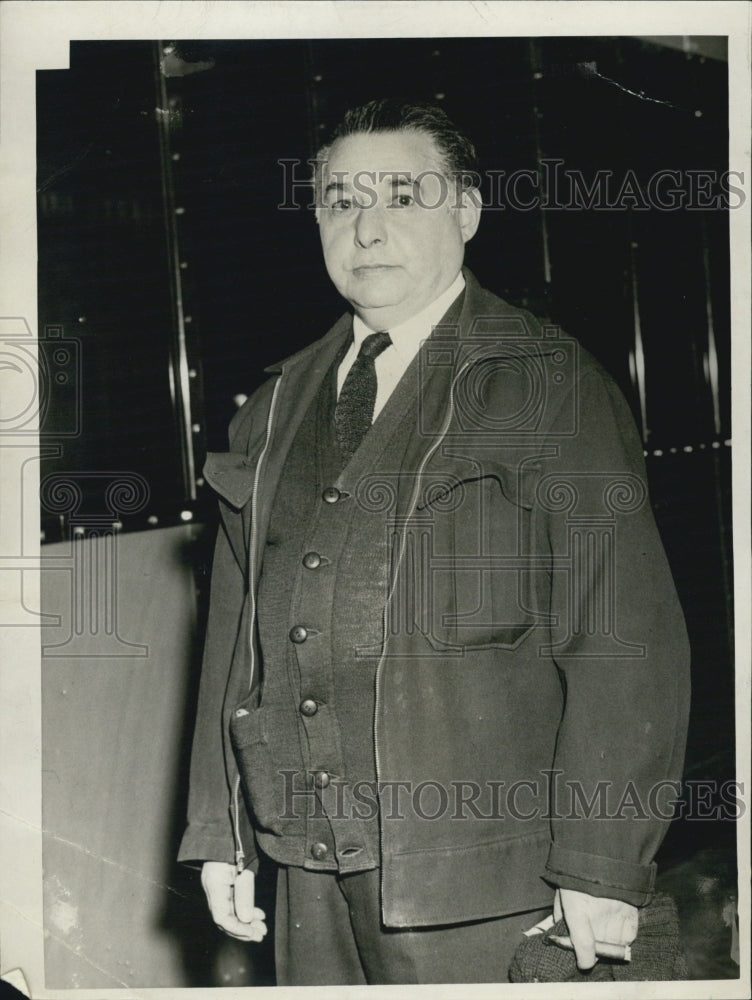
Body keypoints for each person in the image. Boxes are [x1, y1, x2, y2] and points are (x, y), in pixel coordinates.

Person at [178, 99, 690, 985]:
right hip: (308, 868)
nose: (368, 228)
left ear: (468, 211)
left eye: (404, 196)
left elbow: (625, 644)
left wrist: (602, 866)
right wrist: (221, 831)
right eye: (342, 201)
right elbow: (236, 638)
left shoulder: (547, 383)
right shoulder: (274, 405)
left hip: (494, 881)